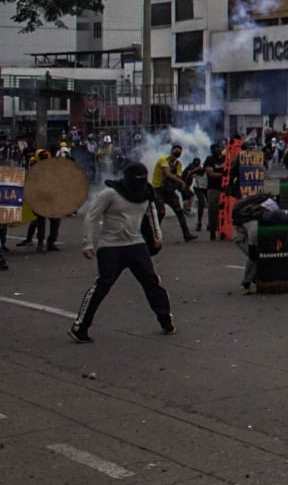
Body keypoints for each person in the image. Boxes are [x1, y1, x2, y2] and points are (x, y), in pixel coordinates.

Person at [69, 162, 175, 342]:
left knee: (152, 282)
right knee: (102, 286)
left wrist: (157, 234)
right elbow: (92, 217)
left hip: (136, 244)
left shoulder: (145, 191)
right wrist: (88, 243)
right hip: (111, 246)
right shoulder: (110, 193)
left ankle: (165, 320)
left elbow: (151, 212)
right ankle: (80, 327)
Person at [151, 144, 197, 242]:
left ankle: (186, 234)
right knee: (161, 212)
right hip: (158, 189)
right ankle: (155, 235)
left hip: (169, 191)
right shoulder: (163, 160)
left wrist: (180, 185)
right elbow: (167, 173)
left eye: (180, 152)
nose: (178, 153)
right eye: (176, 150)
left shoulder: (178, 164)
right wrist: (181, 182)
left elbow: (178, 177)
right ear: (171, 150)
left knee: (179, 211)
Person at [201, 142, 227, 239]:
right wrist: (224, 175)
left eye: (219, 148)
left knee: (224, 211)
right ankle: (212, 231)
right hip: (213, 189)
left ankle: (223, 230)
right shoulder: (210, 159)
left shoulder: (225, 158)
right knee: (213, 210)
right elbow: (211, 173)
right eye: (216, 148)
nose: (218, 150)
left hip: (224, 189)